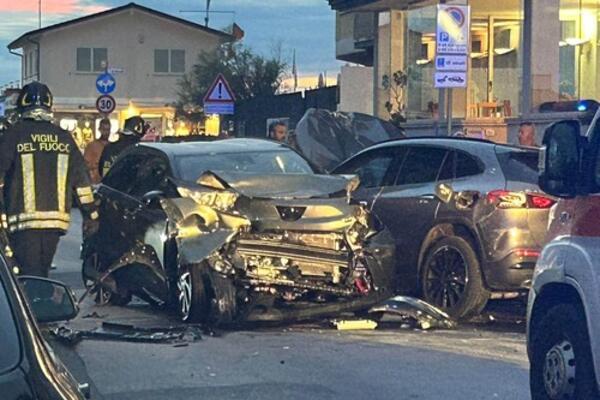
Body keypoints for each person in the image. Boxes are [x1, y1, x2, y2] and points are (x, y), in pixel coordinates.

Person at [0, 82, 98, 277]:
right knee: (42, 271)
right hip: (55, 223)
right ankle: (42, 301)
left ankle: (31, 304)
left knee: (28, 274)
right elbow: (82, 181)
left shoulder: (14, 134)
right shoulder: (63, 138)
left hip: (23, 223)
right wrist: (91, 214)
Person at [84, 118, 111, 184]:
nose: (106, 132)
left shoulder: (112, 146)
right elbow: (86, 165)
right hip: (95, 181)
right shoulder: (92, 146)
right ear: (99, 129)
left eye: (108, 130)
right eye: (104, 129)